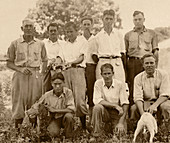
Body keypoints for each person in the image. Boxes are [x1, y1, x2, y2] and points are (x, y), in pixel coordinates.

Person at [6, 18, 48, 128]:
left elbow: (45, 59)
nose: (28, 28)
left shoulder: (40, 44)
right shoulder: (14, 43)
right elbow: (9, 63)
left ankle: (34, 129)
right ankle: (18, 131)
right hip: (20, 75)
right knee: (18, 101)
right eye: (26, 26)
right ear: (22, 28)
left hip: (34, 75)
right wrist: (20, 69)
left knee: (34, 101)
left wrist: (42, 73)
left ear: (34, 28)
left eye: (30, 26)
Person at [58, 21, 88, 131]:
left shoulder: (82, 41)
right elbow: (60, 57)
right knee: (67, 99)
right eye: (67, 32)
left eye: (71, 31)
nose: (69, 34)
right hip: (66, 72)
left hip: (78, 71)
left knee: (79, 100)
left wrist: (71, 63)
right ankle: (69, 126)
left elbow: (81, 58)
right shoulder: (64, 44)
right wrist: (57, 62)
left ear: (76, 31)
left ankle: (83, 126)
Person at [124, 11, 159, 106]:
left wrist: (155, 66)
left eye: (140, 19)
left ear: (144, 20)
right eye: (135, 20)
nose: (138, 21)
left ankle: (150, 109)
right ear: (133, 21)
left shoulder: (152, 33)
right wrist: (126, 70)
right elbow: (125, 54)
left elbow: (155, 51)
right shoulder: (128, 35)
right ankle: (133, 112)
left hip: (147, 63)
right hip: (133, 63)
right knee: (132, 85)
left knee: (148, 84)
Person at [27, 72, 75, 138]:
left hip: (64, 117)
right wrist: (32, 113)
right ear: (52, 84)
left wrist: (55, 110)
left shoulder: (68, 92)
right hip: (54, 119)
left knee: (69, 116)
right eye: (55, 84)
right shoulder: (47, 95)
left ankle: (68, 137)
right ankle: (51, 130)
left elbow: (72, 109)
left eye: (60, 84)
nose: (57, 86)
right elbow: (36, 105)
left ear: (64, 83)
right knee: (52, 133)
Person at [131, 53, 170, 129]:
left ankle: (166, 128)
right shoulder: (138, 78)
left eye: (151, 63)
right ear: (143, 65)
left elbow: (165, 94)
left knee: (166, 106)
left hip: (161, 101)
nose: (149, 65)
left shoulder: (163, 74)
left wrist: (154, 105)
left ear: (156, 63)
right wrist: (143, 114)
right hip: (146, 102)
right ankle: (138, 129)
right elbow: (137, 97)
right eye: (146, 63)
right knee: (134, 108)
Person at [91, 63, 129, 138]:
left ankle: (111, 127)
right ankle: (96, 134)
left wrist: (121, 122)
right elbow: (97, 100)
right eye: (105, 74)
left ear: (113, 73)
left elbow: (125, 104)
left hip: (117, 113)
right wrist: (114, 105)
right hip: (105, 111)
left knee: (120, 135)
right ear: (101, 74)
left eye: (109, 73)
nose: (107, 76)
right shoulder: (98, 83)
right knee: (97, 107)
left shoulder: (120, 84)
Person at [90, 9, 126, 82]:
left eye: (111, 19)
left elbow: (122, 52)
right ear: (102, 19)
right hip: (103, 62)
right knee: (103, 85)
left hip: (117, 63)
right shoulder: (97, 36)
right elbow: (94, 55)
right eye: (106, 19)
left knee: (119, 84)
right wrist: (103, 60)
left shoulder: (119, 34)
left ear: (113, 20)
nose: (108, 21)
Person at [80, 16, 97, 124]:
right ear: (81, 26)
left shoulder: (95, 39)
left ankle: (91, 121)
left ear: (92, 25)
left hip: (91, 67)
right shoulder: (78, 39)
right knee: (81, 94)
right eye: (84, 24)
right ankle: (82, 123)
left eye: (88, 24)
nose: (86, 27)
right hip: (80, 68)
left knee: (91, 94)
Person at [43, 23, 63, 93]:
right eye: (51, 31)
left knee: (59, 90)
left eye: (55, 30)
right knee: (46, 90)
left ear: (58, 31)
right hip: (46, 70)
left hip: (59, 71)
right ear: (48, 32)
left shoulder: (63, 44)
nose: (53, 32)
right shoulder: (43, 43)